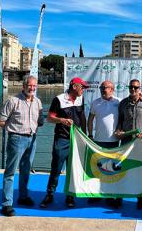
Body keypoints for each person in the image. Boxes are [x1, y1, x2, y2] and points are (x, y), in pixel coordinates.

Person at [0, 75, 44, 217]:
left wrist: (37, 124)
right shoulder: (13, 100)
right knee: (10, 172)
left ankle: (23, 197)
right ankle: (6, 204)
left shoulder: (38, 102)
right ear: (23, 86)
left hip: (32, 139)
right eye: (30, 85)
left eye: (34, 86)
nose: (32, 88)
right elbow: (0, 120)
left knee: (26, 170)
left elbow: (40, 120)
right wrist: (12, 129)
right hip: (16, 139)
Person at [39, 77, 88, 208]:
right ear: (74, 87)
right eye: (82, 87)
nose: (83, 89)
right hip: (62, 139)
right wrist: (61, 120)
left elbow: (82, 117)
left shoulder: (80, 98)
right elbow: (49, 118)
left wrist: (85, 136)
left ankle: (70, 197)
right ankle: (49, 194)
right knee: (56, 168)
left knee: (73, 170)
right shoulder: (59, 99)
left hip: (77, 140)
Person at [115, 79, 142, 209]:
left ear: (140, 88)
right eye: (131, 87)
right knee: (122, 169)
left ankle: (140, 198)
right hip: (125, 142)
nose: (133, 89)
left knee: (139, 170)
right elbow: (120, 122)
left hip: (140, 142)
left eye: (135, 87)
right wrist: (119, 130)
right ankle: (119, 197)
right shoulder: (123, 103)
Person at [87, 80, 121, 206]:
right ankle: (96, 195)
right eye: (101, 88)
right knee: (97, 169)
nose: (102, 90)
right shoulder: (95, 102)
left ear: (112, 89)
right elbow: (90, 119)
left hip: (114, 142)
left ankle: (110, 195)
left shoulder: (118, 102)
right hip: (98, 141)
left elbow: (123, 119)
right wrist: (90, 135)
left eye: (105, 88)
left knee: (111, 170)